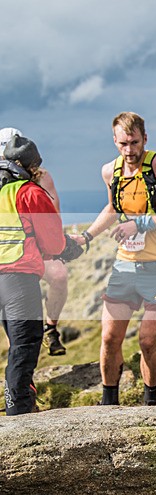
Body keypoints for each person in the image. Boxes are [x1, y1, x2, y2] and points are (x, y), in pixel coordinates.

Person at [72, 112, 156, 406]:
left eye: (135, 142)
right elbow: (112, 209)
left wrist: (140, 224)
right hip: (125, 265)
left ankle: (150, 400)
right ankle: (109, 401)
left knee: (148, 340)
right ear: (114, 141)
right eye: (123, 143)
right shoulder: (109, 171)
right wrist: (86, 238)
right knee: (110, 338)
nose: (130, 150)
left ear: (145, 139)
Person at [0, 135, 80, 415]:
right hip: (19, 280)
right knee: (24, 347)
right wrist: (71, 246)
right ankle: (19, 414)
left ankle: (19, 407)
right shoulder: (30, 193)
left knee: (14, 345)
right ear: (33, 166)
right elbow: (53, 244)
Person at [1, 128, 69, 356]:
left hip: (36, 245)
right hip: (10, 251)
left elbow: (53, 218)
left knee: (59, 275)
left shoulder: (41, 177)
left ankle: (51, 329)